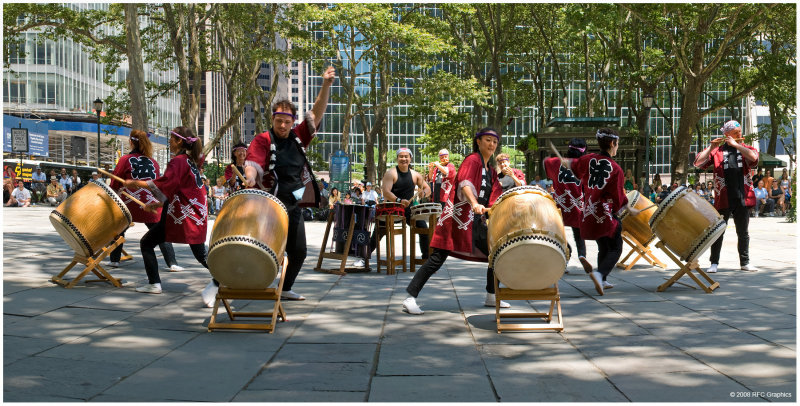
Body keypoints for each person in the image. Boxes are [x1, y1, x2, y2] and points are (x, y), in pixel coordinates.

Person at [244, 66, 335, 301]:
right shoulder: (263, 139)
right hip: (269, 204)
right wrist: (251, 176)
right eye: (278, 121)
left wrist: (325, 85)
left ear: (292, 121)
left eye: (286, 121)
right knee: (262, 248)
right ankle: (230, 280)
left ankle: (285, 289)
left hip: (293, 202)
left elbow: (316, 113)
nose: (282, 126)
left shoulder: (298, 136)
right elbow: (252, 162)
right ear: (272, 119)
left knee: (300, 252)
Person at [402, 127, 510, 314]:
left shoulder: (491, 170)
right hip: (456, 219)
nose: (491, 145)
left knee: (496, 253)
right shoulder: (472, 160)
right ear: (478, 142)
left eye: (494, 142)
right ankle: (410, 297)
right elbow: (465, 183)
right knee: (437, 258)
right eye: (487, 140)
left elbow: (495, 194)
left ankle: (492, 295)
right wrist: (474, 203)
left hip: (475, 221)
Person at [124, 126, 209, 296]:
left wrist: (137, 183)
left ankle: (154, 284)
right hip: (191, 214)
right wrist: (155, 205)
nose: (169, 141)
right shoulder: (189, 161)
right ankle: (227, 279)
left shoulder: (178, 161)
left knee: (147, 243)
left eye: (171, 138)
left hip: (184, 216)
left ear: (179, 141)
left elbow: (166, 183)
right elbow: (174, 189)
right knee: (200, 253)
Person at [560, 128, 628, 295]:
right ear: (612, 144)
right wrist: (625, 207)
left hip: (589, 211)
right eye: (617, 144)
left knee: (603, 246)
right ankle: (600, 274)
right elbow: (618, 198)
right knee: (615, 248)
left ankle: (602, 280)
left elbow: (573, 166)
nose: (617, 147)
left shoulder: (588, 159)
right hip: (606, 213)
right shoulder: (615, 168)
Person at [109, 129, 183, 272]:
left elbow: (115, 184)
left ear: (131, 142)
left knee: (118, 228)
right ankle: (172, 262)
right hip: (151, 203)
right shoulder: (153, 162)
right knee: (160, 231)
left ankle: (114, 260)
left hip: (129, 203)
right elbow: (158, 185)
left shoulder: (125, 160)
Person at [694, 120, 759, 273]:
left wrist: (736, 145)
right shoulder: (717, 151)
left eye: (740, 132)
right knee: (718, 231)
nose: (740, 134)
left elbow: (754, 158)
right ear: (727, 134)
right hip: (723, 197)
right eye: (736, 133)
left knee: (743, 232)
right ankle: (714, 263)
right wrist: (711, 147)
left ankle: (745, 262)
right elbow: (697, 162)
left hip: (743, 196)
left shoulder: (746, 148)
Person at [353, 147, 432, 268]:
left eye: (406, 156)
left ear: (410, 158)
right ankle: (363, 258)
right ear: (397, 158)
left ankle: (426, 259)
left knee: (423, 228)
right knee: (378, 233)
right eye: (401, 156)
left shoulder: (415, 175)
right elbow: (386, 192)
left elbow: (427, 188)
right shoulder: (391, 173)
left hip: (408, 209)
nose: (404, 159)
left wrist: (424, 193)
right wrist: (399, 200)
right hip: (391, 208)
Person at [544, 137, 593, 275]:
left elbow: (546, 162)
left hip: (560, 206)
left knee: (559, 237)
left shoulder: (556, 162)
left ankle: (563, 261)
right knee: (579, 235)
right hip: (578, 206)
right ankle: (582, 255)